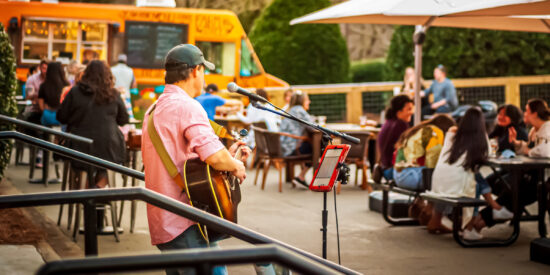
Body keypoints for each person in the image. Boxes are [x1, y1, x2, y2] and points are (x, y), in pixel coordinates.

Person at [140, 44, 259, 275]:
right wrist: (235, 164)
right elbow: (215, 157)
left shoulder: (154, 109)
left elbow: (185, 159)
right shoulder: (187, 107)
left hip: (164, 219)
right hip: (186, 219)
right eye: (204, 70)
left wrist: (227, 154)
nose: (204, 76)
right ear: (195, 71)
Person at [467, 99, 550, 239]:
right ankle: (475, 224)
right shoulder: (534, 131)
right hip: (531, 176)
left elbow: (545, 151)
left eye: (527, 111)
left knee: (512, 191)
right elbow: (528, 149)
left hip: (543, 180)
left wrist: (527, 151)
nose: (524, 113)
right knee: (508, 191)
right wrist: (518, 144)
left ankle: (476, 223)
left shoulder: (547, 129)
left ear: (535, 114)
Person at [427, 107, 512, 235]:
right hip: (457, 186)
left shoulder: (452, 132)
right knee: (475, 183)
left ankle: (436, 221)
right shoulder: (480, 137)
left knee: (473, 177)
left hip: (438, 181)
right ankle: (469, 228)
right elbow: (487, 155)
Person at [57, 60, 129, 188]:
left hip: (80, 145)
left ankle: (88, 194)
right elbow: (123, 119)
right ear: (108, 75)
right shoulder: (114, 93)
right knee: (110, 166)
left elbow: (61, 117)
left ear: (86, 73)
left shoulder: (75, 92)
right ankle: (98, 190)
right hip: (109, 146)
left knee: (83, 168)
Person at [393, 114, 456, 191]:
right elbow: (433, 161)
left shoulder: (419, 129)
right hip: (411, 176)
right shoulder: (435, 131)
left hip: (398, 175)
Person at [280, 90, 314, 187]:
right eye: (307, 100)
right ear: (302, 100)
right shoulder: (300, 111)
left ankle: (301, 175)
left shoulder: (291, 110)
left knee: (312, 145)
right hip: (291, 149)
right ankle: (302, 176)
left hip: (284, 146)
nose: (309, 102)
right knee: (318, 147)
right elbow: (313, 127)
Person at [376, 95, 414, 180]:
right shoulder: (400, 125)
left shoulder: (389, 122)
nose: (412, 112)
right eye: (409, 109)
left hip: (385, 169)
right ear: (399, 111)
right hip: (392, 171)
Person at [38, 61, 69, 126]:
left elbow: (41, 106)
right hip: (62, 118)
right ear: (62, 71)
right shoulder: (67, 85)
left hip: (47, 117)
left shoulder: (43, 86)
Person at [111, 54, 137, 119]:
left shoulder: (111, 69)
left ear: (118, 60)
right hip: (126, 96)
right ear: (125, 61)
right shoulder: (130, 70)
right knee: (128, 117)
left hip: (113, 96)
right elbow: (134, 85)